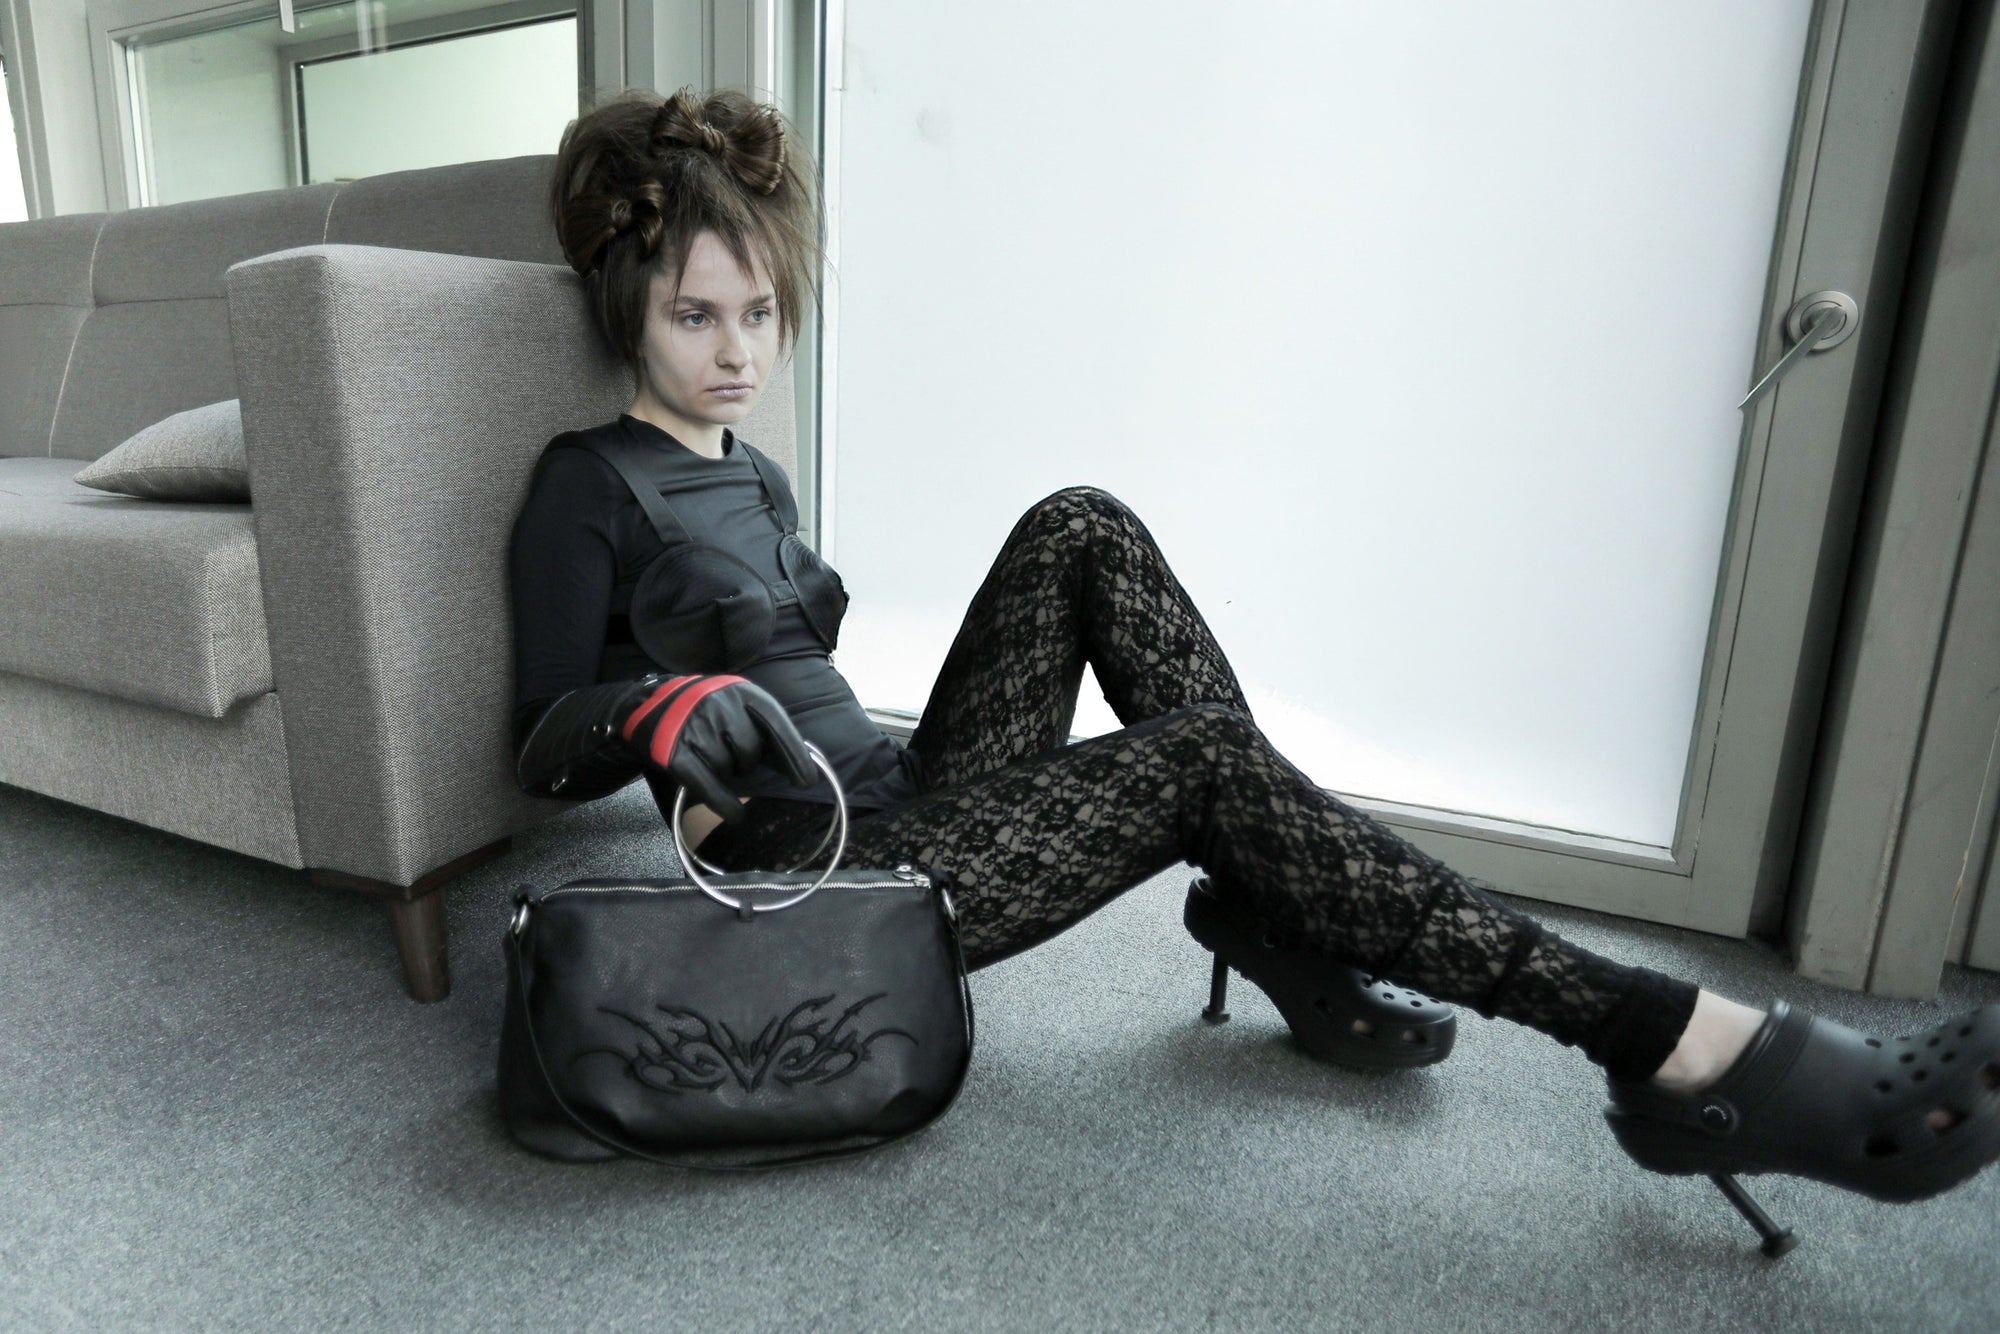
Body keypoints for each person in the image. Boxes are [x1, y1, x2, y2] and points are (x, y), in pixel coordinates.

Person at [508, 86, 2000, 1254]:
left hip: (903, 792)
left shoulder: (755, 474)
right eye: (696, 314)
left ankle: (1278, 898)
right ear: (628, 302)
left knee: (1081, 522)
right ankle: (1673, 1038)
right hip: (808, 876)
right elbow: (535, 743)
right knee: (1203, 763)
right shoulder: (587, 483)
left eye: (760, 311)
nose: (737, 349)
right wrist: (653, 706)